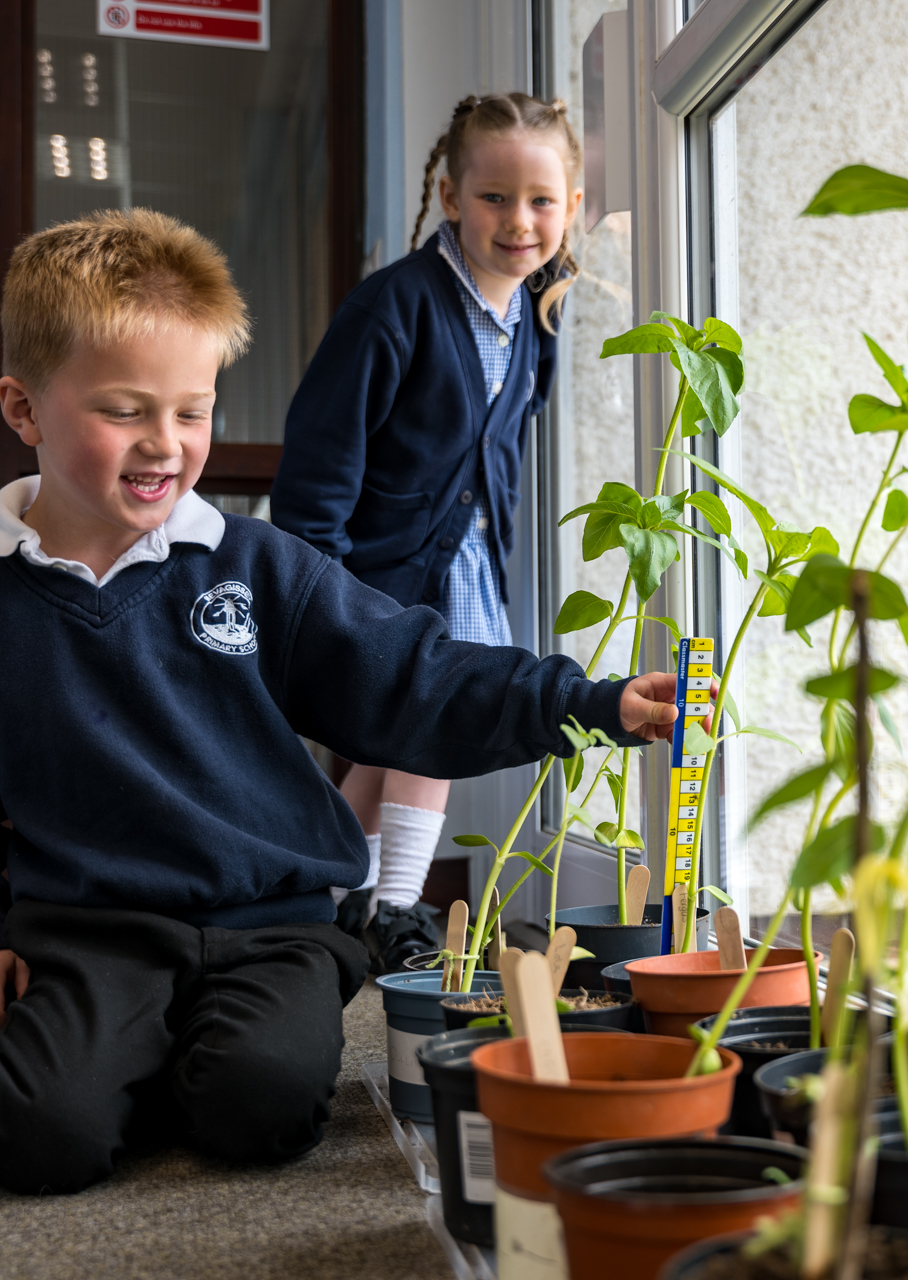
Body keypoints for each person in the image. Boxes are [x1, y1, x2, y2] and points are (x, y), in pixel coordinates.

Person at [0, 208, 678, 1196]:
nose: (165, 444)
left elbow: (409, 672)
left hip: (276, 923)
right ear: (23, 409)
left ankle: (142, 1060)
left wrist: (589, 700)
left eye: (193, 409)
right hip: (89, 928)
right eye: (124, 410)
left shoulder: (256, 564)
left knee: (262, 1108)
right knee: (46, 1137)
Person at [270, 93, 584, 974]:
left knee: (390, 738)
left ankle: (343, 902)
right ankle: (398, 907)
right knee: (430, 721)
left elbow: (500, 449)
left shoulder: (534, 319)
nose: (518, 221)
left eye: (541, 200)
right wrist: (317, 582)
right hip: (380, 568)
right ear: (450, 197)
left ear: (571, 208)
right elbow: (322, 457)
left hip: (467, 563)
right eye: (493, 197)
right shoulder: (394, 307)